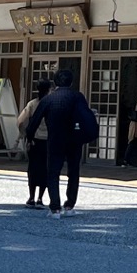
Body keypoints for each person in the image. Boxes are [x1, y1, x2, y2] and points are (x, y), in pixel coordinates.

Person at [38, 67, 97, 216]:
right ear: (71, 82)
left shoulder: (48, 99)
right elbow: (85, 115)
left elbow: (35, 120)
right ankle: (70, 205)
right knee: (73, 171)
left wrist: (29, 136)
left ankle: (55, 207)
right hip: (74, 139)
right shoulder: (78, 97)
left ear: (55, 82)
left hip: (55, 139)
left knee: (53, 172)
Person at [17, 84, 48, 208]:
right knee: (45, 169)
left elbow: (20, 121)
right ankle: (40, 198)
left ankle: (31, 197)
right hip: (47, 140)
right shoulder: (50, 103)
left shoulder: (32, 104)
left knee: (33, 169)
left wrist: (24, 134)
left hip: (34, 140)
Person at [122, 93, 137, 167]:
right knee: (133, 142)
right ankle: (127, 160)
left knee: (132, 142)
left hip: (134, 124)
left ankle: (127, 160)